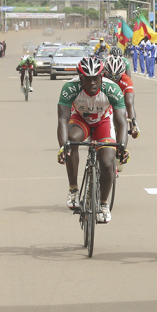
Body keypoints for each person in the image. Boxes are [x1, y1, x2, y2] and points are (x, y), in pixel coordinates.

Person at [56, 57, 128, 224]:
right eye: (88, 79)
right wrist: (62, 147)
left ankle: (103, 204)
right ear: (81, 78)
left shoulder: (112, 89)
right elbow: (62, 120)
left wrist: (122, 146)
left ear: (102, 77)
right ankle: (73, 190)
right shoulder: (70, 88)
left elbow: (121, 121)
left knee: (108, 162)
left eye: (96, 78)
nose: (92, 82)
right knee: (71, 140)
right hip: (81, 120)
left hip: (103, 121)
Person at [103, 55, 140, 140]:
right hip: (104, 100)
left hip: (119, 99)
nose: (112, 80)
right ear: (104, 73)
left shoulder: (126, 80)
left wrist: (133, 126)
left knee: (123, 113)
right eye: (109, 76)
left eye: (116, 77)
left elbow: (129, 104)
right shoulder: (100, 78)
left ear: (121, 74)